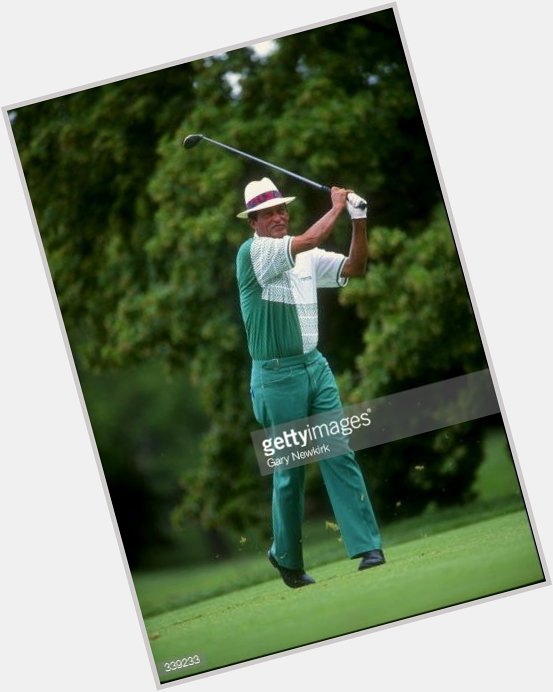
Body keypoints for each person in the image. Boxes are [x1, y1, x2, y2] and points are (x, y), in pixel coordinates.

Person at [235, 177, 384, 589]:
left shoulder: (305, 254)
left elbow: (354, 268)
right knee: (291, 470)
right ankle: (286, 558)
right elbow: (307, 238)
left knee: (339, 450)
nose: (279, 216)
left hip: (314, 368)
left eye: (282, 209)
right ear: (254, 222)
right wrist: (336, 205)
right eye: (269, 213)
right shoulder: (255, 253)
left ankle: (368, 546)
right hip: (275, 376)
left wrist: (358, 220)